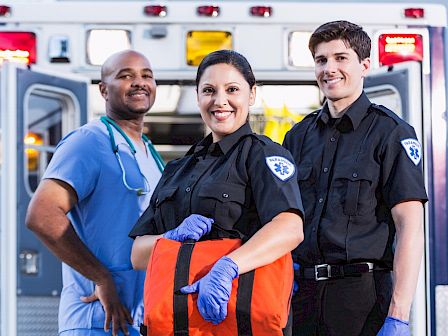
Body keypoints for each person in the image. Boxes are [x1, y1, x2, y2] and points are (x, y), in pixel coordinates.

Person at [129, 49, 304, 332]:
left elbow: (290, 228)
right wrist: (169, 238)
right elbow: (137, 255)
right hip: (180, 323)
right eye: (209, 90)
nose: (220, 101)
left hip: (241, 321)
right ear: (198, 97)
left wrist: (228, 267)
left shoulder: (263, 155)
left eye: (232, 89)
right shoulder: (178, 169)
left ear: (251, 95)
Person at [283, 20, 428, 336]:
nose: (329, 68)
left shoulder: (391, 133)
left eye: (340, 58)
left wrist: (399, 315)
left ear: (365, 65)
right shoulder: (297, 137)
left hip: (361, 301)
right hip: (300, 299)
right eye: (321, 60)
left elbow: (410, 228)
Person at [26, 50, 164, 336]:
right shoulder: (89, 141)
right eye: (126, 76)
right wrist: (101, 277)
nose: (139, 82)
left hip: (138, 320)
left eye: (146, 76)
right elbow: (41, 214)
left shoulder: (149, 153)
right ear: (103, 89)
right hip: (96, 321)